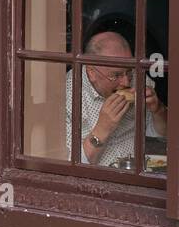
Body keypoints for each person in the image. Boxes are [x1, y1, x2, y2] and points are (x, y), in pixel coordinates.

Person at [65, 31, 166, 167]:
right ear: (91, 72)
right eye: (116, 75)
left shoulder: (139, 79)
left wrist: (158, 110)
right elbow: (71, 165)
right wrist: (103, 128)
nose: (126, 82)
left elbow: (160, 136)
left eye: (128, 72)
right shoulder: (66, 94)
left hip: (137, 172)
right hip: (96, 180)